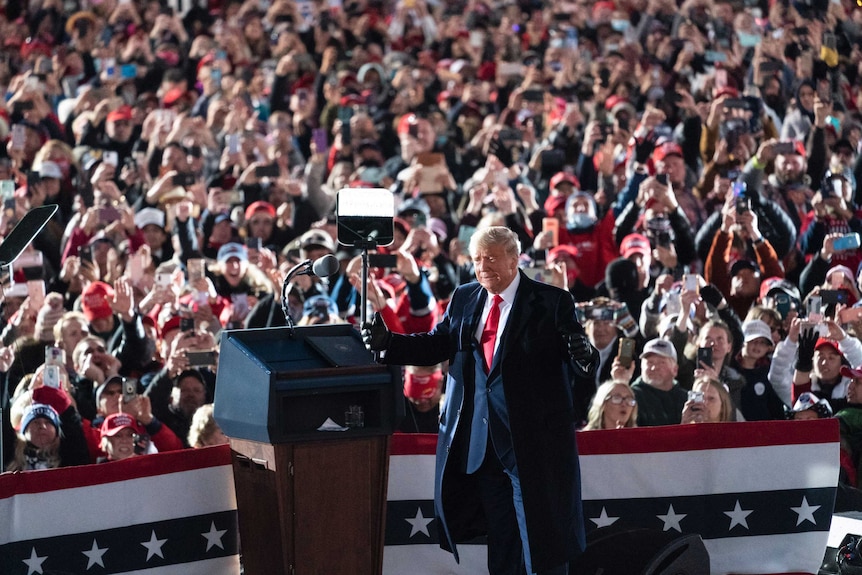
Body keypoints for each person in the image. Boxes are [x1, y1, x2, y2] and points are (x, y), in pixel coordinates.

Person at [364, 226, 597, 575]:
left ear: (515, 259)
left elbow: (580, 357)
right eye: (476, 259)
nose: (483, 266)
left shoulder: (550, 301)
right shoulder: (464, 297)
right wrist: (389, 343)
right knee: (502, 546)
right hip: (482, 446)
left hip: (532, 448)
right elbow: (436, 343)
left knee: (543, 547)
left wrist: (584, 354)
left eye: (491, 257)